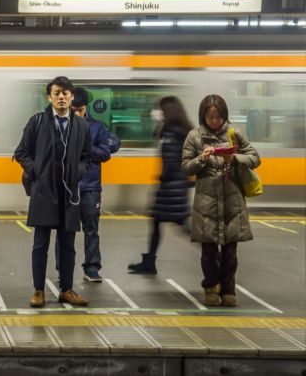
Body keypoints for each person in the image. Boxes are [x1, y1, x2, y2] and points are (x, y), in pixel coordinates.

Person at [14, 76, 91, 308]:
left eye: (65, 93)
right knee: (41, 245)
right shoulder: (37, 121)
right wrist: (35, 169)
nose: (61, 97)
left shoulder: (82, 126)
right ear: (50, 96)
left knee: (68, 245)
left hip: (69, 194)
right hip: (44, 192)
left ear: (72, 96)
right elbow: (21, 152)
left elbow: (87, 156)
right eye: (57, 93)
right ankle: (39, 290)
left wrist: (78, 171)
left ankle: (66, 290)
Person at [181, 94, 260, 307]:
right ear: (203, 116)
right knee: (208, 252)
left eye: (218, 117)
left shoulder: (235, 134)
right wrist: (202, 159)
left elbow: (255, 158)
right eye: (210, 117)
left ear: (225, 116)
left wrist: (233, 157)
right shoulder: (194, 136)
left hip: (232, 202)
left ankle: (228, 289)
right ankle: (210, 285)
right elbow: (186, 166)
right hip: (206, 203)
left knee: (230, 253)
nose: (214, 121)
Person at [57, 87, 120, 283]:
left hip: (90, 187)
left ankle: (92, 268)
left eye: (80, 110)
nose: (77, 114)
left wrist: (84, 149)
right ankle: (63, 269)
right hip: (67, 186)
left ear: (86, 108)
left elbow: (105, 153)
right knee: (65, 230)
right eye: (73, 110)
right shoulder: (60, 126)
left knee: (91, 229)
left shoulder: (98, 128)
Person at [128, 96, 193, 274]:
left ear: (167, 112)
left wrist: (163, 177)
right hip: (175, 186)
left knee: (181, 226)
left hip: (172, 187)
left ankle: (214, 255)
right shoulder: (176, 131)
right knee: (160, 222)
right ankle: (149, 261)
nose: (156, 113)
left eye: (159, 109)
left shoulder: (173, 133)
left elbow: (172, 161)